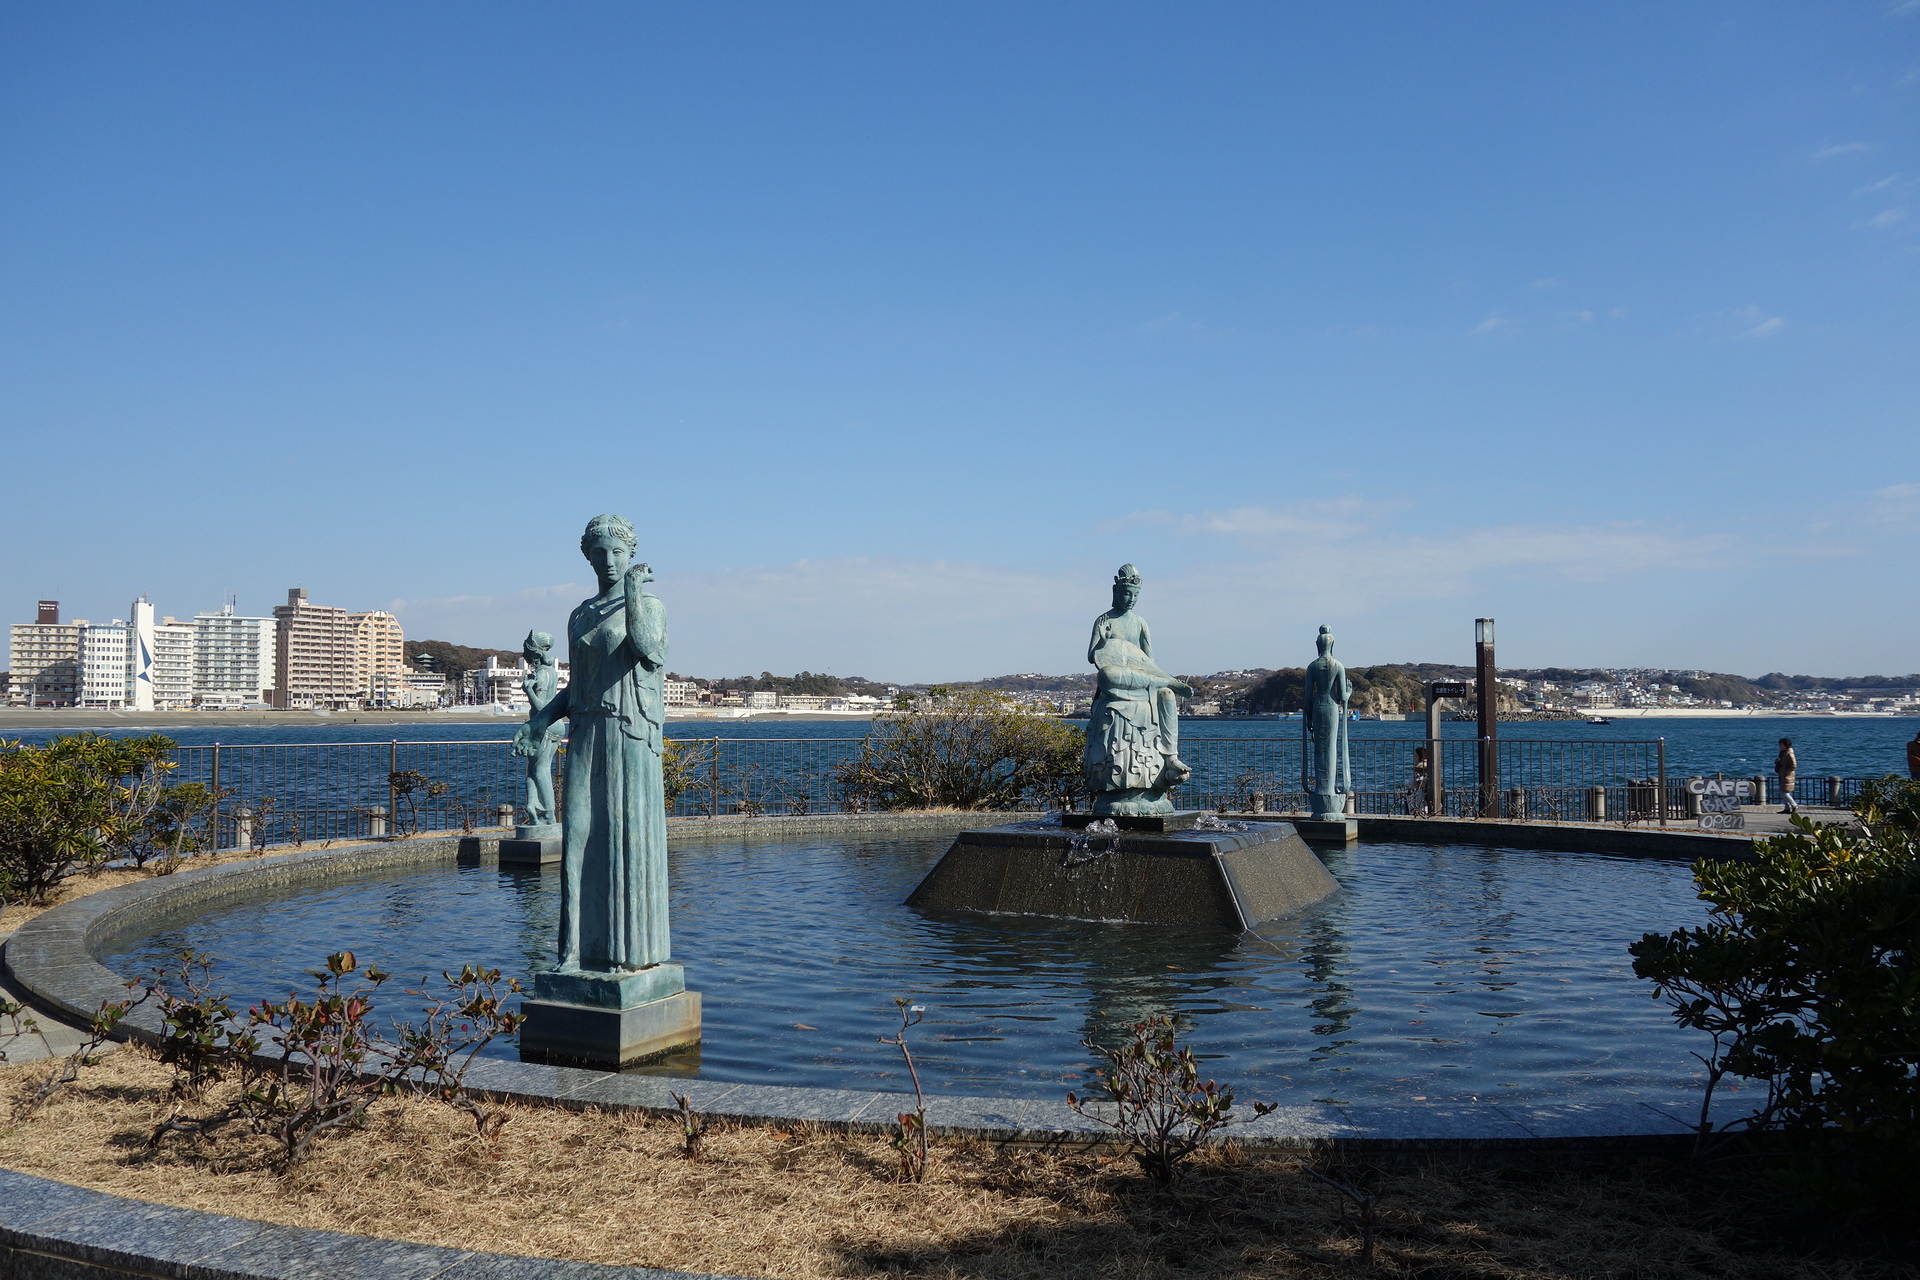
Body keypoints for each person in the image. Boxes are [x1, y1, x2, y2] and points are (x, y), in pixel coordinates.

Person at [514, 513, 670, 972]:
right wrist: (539, 721)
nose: (608, 560)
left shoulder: (650, 604)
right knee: (577, 836)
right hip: (584, 733)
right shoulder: (580, 614)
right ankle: (572, 953)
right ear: (588, 555)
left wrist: (635, 594)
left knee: (623, 836)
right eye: (599, 552)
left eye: (617, 552)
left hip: (629, 735)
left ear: (631, 555)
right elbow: (576, 685)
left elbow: (648, 649)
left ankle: (629, 955)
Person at [1083, 564, 1192, 814]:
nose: (1130, 599)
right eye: (1125, 594)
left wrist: (1157, 677)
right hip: (1118, 680)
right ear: (1115, 591)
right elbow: (1093, 655)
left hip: (1143, 682)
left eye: (1134, 595)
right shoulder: (1104, 620)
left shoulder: (1140, 623)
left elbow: (1149, 664)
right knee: (1107, 675)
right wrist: (1108, 643)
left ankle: (1171, 758)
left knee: (1166, 693)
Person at [1775, 737, 1799, 815]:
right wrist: (1778, 762)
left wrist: (1787, 772)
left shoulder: (1789, 753)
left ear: (1786, 745)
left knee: (1784, 792)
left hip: (1787, 775)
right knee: (1783, 791)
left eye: (1781, 745)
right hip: (1782, 774)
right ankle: (1787, 808)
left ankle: (1794, 805)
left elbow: (1794, 765)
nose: (1780, 746)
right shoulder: (1783, 753)